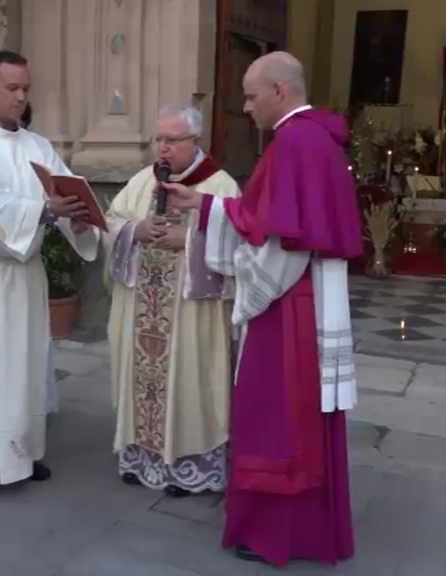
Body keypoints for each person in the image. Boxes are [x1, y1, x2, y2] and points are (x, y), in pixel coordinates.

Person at [162, 52, 359, 567]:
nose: (245, 107)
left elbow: (281, 242)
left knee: (276, 419)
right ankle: (310, 530)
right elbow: (265, 218)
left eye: (250, 96)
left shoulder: (294, 140)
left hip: (287, 303)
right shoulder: (318, 137)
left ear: (279, 90)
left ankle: (276, 534)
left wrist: (250, 294)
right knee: (302, 419)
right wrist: (202, 205)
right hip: (310, 296)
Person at [0, 50, 99, 504]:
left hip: (24, 273)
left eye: (26, 89)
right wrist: (48, 211)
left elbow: (64, 188)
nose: (21, 97)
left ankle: (21, 450)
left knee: (25, 363)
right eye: (12, 88)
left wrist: (79, 218)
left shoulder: (37, 146)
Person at [104, 103, 239, 497]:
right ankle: (140, 456)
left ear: (195, 140)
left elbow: (240, 243)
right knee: (141, 381)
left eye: (173, 140)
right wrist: (134, 229)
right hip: (143, 306)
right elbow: (111, 221)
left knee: (190, 382)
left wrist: (192, 242)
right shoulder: (143, 181)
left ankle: (187, 465)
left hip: (192, 313)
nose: (163, 149)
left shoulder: (220, 186)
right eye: (158, 139)